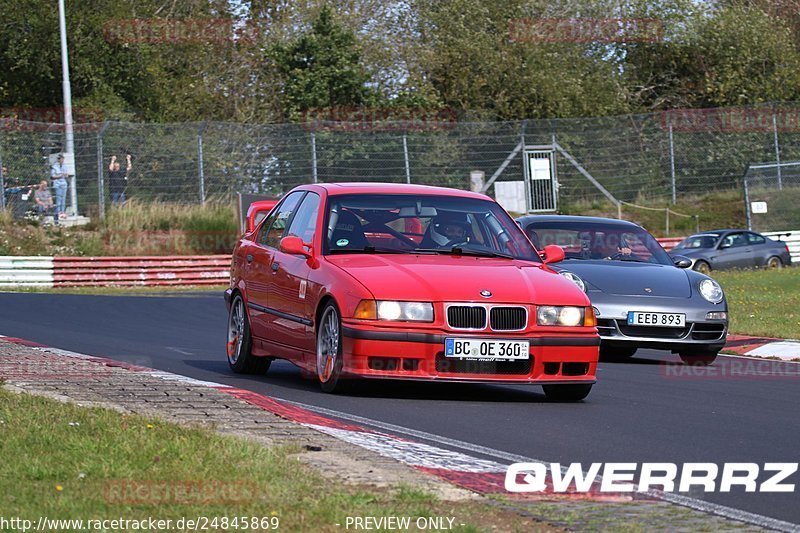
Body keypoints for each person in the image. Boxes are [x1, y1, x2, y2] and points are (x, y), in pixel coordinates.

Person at [50, 154, 69, 219]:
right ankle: (58, 212)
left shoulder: (65, 166)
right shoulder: (54, 167)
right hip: (57, 183)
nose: (62, 160)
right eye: (61, 159)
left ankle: (62, 211)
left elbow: (66, 174)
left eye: (63, 159)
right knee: (59, 198)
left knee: (63, 198)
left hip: (64, 183)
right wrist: (60, 176)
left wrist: (65, 175)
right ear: (58, 159)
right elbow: (53, 176)